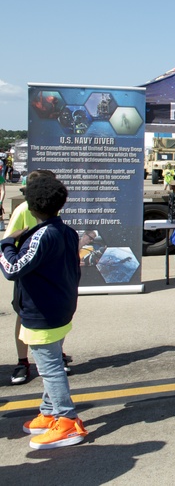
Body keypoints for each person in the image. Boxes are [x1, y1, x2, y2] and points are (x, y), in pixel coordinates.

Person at [1, 176, 88, 448]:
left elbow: (12, 269)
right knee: (51, 362)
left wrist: (6, 244)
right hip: (61, 307)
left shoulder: (42, 235)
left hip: (43, 312)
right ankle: (49, 411)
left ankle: (66, 420)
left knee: (49, 369)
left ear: (32, 207)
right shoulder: (67, 231)